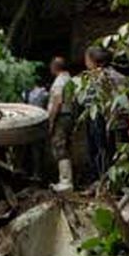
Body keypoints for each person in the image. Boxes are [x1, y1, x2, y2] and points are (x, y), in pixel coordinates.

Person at [82, 46, 127, 184]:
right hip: (101, 117)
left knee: (101, 151)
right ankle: (107, 182)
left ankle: (103, 182)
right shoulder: (117, 76)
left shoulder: (102, 77)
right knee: (106, 150)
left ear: (94, 61)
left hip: (101, 117)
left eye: (87, 59)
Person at [46, 56, 75, 191]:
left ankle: (65, 182)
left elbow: (57, 102)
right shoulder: (69, 79)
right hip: (69, 116)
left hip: (61, 116)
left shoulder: (59, 82)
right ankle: (66, 180)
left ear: (54, 67)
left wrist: (51, 121)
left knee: (60, 147)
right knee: (66, 146)